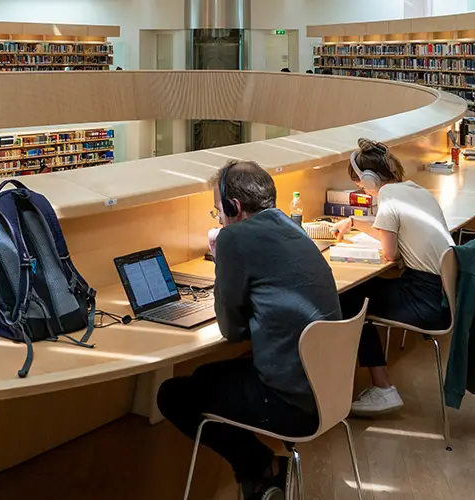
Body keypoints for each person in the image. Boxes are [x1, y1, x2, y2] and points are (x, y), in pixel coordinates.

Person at [157, 160, 341, 500]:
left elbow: (230, 329)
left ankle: (258, 465)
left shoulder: (233, 238)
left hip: (291, 404)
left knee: (173, 394)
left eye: (218, 211)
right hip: (328, 390)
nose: (220, 219)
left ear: (233, 206)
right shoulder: (292, 226)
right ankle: (259, 470)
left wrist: (224, 260)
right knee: (206, 376)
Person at [334, 138, 453, 415]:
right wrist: (352, 222)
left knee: (351, 300)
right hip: (443, 293)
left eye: (360, 185)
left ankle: (382, 388)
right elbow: (395, 237)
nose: (361, 190)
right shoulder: (417, 191)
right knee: (364, 292)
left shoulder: (388, 197)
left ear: (370, 180)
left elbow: (389, 254)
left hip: (423, 299)